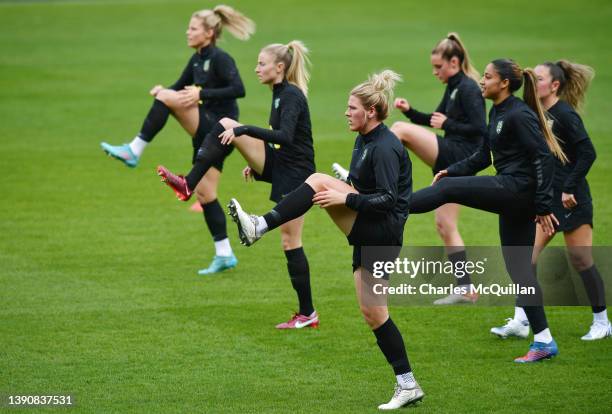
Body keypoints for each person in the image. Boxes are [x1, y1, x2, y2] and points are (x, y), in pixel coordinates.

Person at [227, 71, 425, 409]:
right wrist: (348, 186)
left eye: (352, 108)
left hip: (382, 233)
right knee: (374, 314)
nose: (346, 113)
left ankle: (260, 225)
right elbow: (369, 189)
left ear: (372, 112)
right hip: (370, 229)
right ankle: (408, 384)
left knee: (317, 180)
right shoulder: (364, 139)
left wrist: (345, 198)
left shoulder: (386, 146)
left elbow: (390, 199)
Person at [409, 59, 567, 363]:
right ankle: (545, 341)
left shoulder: (519, 115)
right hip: (513, 193)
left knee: (445, 192)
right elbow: (482, 155)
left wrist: (544, 205)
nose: (482, 81)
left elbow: (544, 159)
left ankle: (391, 209)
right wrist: (451, 170)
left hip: (517, 191)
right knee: (520, 269)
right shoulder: (497, 111)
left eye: (488, 76)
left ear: (504, 83)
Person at [157, 41, 319, 330]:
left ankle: (308, 314)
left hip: (297, 175)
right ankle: (187, 183)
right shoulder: (279, 92)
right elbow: (280, 139)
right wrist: (255, 162)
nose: (256, 69)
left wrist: (243, 131)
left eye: (261, 63)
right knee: (224, 123)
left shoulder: (291, 95)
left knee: (290, 241)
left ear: (279, 67)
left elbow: (287, 136)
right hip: (282, 164)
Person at [100, 5, 254, 275]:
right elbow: (178, 85)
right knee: (206, 194)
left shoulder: (220, 58)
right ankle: (224, 254)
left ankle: (134, 150)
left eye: (193, 28)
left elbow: (238, 89)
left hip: (221, 127)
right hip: (207, 133)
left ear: (208, 33)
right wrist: (164, 90)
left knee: (167, 100)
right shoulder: (196, 59)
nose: (188, 32)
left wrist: (201, 94)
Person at [333, 33, 485, 304]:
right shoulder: (453, 85)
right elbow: (434, 119)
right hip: (448, 156)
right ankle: (466, 287)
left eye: (438, 67)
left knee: (399, 131)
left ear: (454, 61)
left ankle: (367, 181)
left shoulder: (469, 88)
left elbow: (478, 130)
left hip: (461, 154)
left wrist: (449, 125)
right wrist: (410, 111)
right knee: (445, 224)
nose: (435, 72)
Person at [491, 60, 610, 341]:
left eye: (540, 78)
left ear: (554, 85)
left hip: (572, 198)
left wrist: (569, 187)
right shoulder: (532, 113)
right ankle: (522, 320)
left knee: (581, 259)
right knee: (525, 260)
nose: (534, 81)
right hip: (545, 200)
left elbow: (588, 153)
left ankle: (602, 322)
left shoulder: (565, 114)